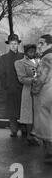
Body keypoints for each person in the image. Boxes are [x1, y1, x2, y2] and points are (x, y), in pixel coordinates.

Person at [0, 34, 24, 137]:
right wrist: (6, 86)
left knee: (22, 108)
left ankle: (24, 128)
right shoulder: (4, 58)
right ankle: (13, 129)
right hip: (11, 88)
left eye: (15, 44)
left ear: (18, 44)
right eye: (11, 44)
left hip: (22, 87)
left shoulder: (22, 56)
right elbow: (1, 74)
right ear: (8, 45)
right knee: (12, 110)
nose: (13, 46)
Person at [32, 34, 52, 163]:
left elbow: (40, 79)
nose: (38, 46)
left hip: (46, 94)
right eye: (38, 43)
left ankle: (50, 153)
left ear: (50, 45)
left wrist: (34, 90)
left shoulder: (46, 59)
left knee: (45, 123)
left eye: (42, 43)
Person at [14, 44, 39, 146]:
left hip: (40, 91)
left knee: (38, 113)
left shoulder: (39, 61)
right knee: (29, 114)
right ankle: (29, 135)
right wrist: (34, 79)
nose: (32, 53)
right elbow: (22, 79)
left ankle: (37, 134)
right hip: (29, 91)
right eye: (30, 52)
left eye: (34, 51)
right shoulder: (20, 63)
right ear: (25, 53)